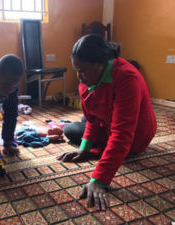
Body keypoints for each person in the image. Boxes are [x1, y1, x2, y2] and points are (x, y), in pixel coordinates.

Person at [57, 34, 156, 210]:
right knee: (73, 128)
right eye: (76, 70)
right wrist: (84, 149)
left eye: (82, 70)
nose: (79, 77)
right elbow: (92, 118)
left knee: (75, 128)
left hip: (136, 136)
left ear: (100, 64)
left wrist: (99, 180)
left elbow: (122, 134)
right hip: (108, 121)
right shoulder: (88, 78)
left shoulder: (127, 78)